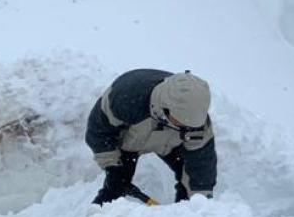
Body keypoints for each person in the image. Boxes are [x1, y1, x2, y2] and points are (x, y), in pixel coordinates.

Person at [85, 69, 217, 205]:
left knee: (191, 188)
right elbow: (99, 132)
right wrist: (113, 167)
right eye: (180, 123)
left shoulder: (195, 121)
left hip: (173, 144)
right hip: (129, 142)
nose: (187, 129)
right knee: (115, 187)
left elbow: (201, 167)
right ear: (166, 109)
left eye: (190, 126)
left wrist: (199, 204)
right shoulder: (126, 97)